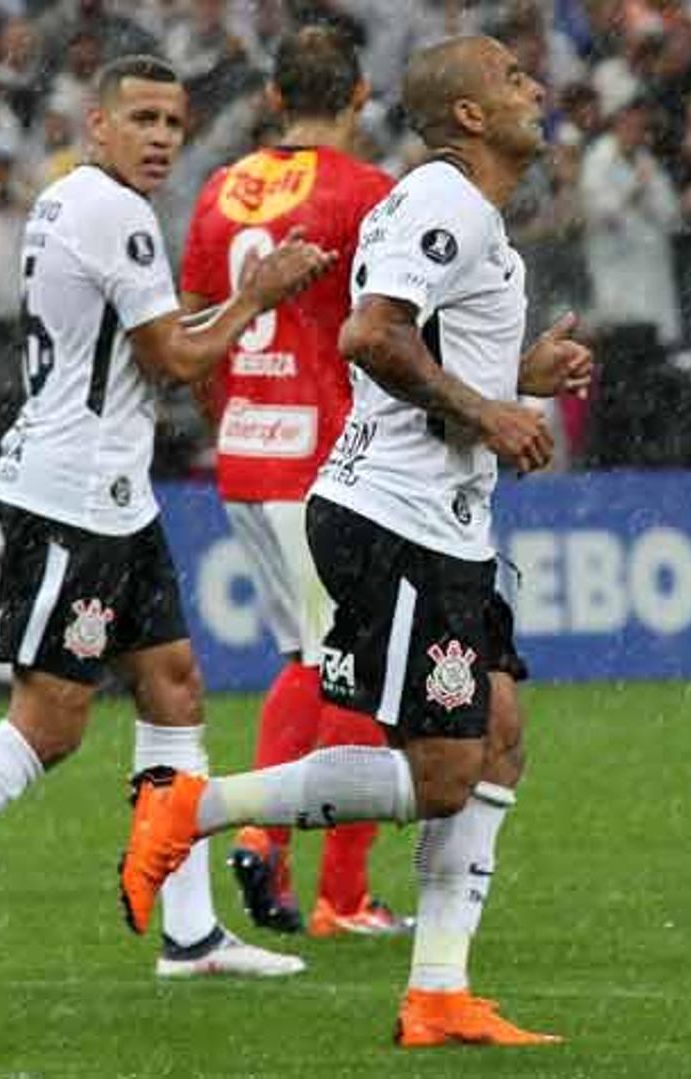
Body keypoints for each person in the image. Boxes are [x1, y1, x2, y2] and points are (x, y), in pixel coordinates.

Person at [0, 55, 329, 991]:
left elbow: (149, 338)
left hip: (113, 495)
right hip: (72, 498)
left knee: (173, 686)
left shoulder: (72, 201)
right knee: (49, 723)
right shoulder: (113, 211)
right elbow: (172, 357)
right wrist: (262, 294)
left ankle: (192, 933)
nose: (163, 137)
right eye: (142, 119)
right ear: (98, 126)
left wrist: (231, 304)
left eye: (173, 121)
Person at [117, 35, 593, 1048]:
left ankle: (438, 991)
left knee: (499, 730)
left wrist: (520, 380)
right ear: (469, 114)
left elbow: (422, 349)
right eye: (513, 80)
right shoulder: (443, 201)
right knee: (442, 775)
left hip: (444, 520)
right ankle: (193, 805)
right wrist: (494, 410)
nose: (535, 90)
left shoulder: (472, 219)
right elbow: (369, 335)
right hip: (395, 515)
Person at [176, 26, 406, 939]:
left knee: (307, 659)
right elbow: (392, 331)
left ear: (273, 98)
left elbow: (201, 328)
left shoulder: (219, 191)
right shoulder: (366, 194)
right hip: (328, 465)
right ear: (359, 95)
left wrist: (229, 419)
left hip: (245, 451)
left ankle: (268, 844)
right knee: (360, 677)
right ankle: (337, 894)